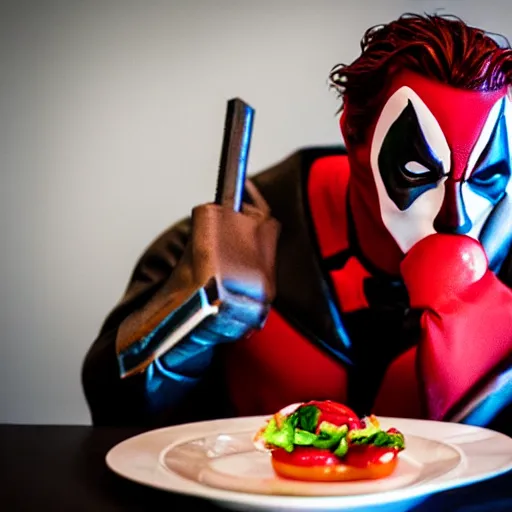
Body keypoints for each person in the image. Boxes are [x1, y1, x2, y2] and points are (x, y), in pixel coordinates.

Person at [82, 13, 512, 434]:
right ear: (355, 137)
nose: (456, 214)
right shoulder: (238, 234)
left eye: (486, 175)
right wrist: (191, 313)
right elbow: (113, 408)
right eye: (417, 170)